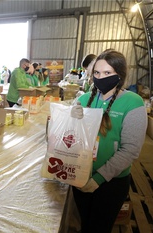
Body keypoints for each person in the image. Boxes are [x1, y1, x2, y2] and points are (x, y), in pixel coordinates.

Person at [70, 49, 147, 233]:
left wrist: (98, 179)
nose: (100, 77)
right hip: (81, 175)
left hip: (110, 182)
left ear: (119, 75)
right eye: (97, 73)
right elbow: (71, 138)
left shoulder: (132, 103)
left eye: (107, 73)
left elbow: (130, 150)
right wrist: (71, 118)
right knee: (85, 224)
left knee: (99, 228)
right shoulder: (83, 99)